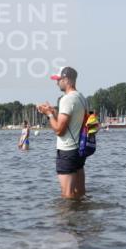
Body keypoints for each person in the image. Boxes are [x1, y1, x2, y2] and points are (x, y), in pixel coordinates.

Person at [36, 66, 87, 199]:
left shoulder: (67, 99)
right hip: (79, 150)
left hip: (67, 151)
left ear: (66, 79)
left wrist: (49, 115)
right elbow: (71, 123)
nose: (56, 82)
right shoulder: (81, 97)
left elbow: (59, 130)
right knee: (80, 192)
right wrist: (54, 112)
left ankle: (68, 219)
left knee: (67, 194)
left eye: (58, 79)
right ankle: (81, 217)